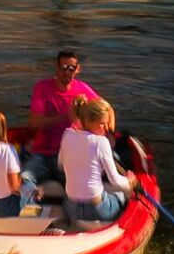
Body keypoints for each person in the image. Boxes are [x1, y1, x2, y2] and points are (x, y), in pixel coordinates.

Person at [23, 49, 99, 193]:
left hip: (70, 157)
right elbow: (34, 122)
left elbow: (105, 109)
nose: (67, 72)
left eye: (72, 68)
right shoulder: (42, 87)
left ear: (78, 69)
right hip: (43, 155)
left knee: (82, 187)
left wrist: (109, 131)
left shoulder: (83, 89)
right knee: (25, 178)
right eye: (64, 67)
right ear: (57, 68)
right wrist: (65, 116)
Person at [56, 97, 132, 230]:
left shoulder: (67, 134)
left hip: (71, 208)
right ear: (88, 121)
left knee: (104, 190)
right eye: (102, 123)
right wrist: (130, 181)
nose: (106, 128)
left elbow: (61, 165)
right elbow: (115, 181)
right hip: (96, 210)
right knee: (121, 196)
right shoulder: (101, 142)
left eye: (107, 123)